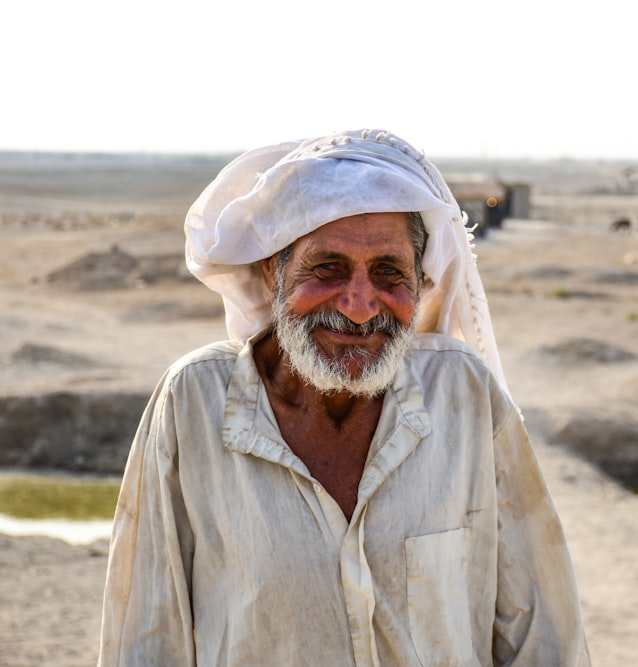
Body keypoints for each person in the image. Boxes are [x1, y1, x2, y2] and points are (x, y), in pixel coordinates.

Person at [98, 128, 590, 665]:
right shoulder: (194, 401)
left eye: (388, 272)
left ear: (420, 284)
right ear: (272, 272)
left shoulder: (465, 395)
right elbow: (145, 639)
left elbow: (542, 634)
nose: (359, 305)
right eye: (327, 268)